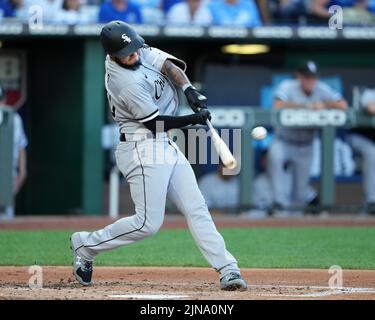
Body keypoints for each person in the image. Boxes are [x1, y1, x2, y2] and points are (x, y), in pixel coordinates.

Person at [70, 21, 248, 291]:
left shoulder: (135, 48)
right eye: (128, 54)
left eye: (135, 49)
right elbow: (154, 124)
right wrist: (193, 119)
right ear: (112, 56)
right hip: (141, 148)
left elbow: (168, 66)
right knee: (147, 224)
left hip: (163, 144)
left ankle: (227, 268)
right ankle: (86, 244)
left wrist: (189, 90)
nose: (135, 55)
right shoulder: (122, 81)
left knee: (196, 206)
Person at [267, 61, 347, 216]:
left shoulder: (322, 89)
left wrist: (324, 103)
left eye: (313, 77)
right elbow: (277, 104)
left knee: (300, 190)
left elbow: (343, 105)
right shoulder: (288, 86)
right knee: (274, 156)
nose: (311, 80)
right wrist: (308, 106)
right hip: (284, 141)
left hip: (305, 145)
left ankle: (295, 223)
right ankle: (278, 209)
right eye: (307, 77)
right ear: (299, 77)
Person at [0, 85, 28, 220]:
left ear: (4, 99)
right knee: (5, 220)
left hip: (8, 174)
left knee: (6, 218)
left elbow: (21, 146)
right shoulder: (13, 117)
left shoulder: (14, 118)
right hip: (8, 174)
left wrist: (22, 172)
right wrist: (22, 172)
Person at [347, 88, 375, 214]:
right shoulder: (370, 93)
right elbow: (371, 108)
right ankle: (371, 202)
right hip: (361, 137)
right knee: (372, 154)